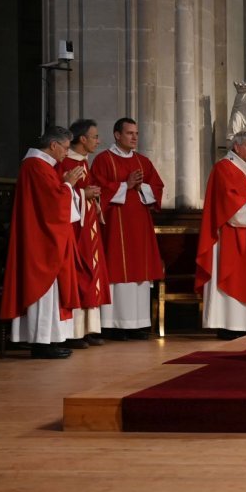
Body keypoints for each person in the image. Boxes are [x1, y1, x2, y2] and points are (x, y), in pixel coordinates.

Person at [0, 126, 82, 359]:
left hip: (46, 237)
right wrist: (68, 185)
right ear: (53, 145)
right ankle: (41, 343)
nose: (67, 153)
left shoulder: (43, 166)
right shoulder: (35, 166)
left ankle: (50, 340)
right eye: (65, 148)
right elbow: (52, 204)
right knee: (43, 290)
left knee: (52, 293)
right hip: (40, 241)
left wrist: (65, 185)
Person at [92, 117, 164, 340]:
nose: (134, 137)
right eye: (129, 133)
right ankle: (113, 325)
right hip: (115, 225)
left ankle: (137, 325)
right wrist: (125, 185)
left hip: (140, 226)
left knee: (139, 275)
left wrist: (142, 187)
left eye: (136, 133)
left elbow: (158, 188)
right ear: (117, 135)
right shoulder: (103, 160)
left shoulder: (143, 161)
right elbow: (97, 191)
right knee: (117, 270)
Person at [196, 132, 246, 339]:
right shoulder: (224, 168)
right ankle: (227, 325)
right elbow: (227, 201)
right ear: (236, 147)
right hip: (230, 234)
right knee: (232, 274)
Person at [58, 119, 109, 347]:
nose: (98, 141)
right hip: (76, 229)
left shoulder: (84, 162)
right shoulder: (65, 163)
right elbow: (60, 195)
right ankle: (75, 332)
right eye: (95, 137)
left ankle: (88, 329)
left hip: (89, 226)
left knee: (92, 272)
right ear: (82, 139)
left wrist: (93, 195)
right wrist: (83, 194)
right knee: (80, 274)